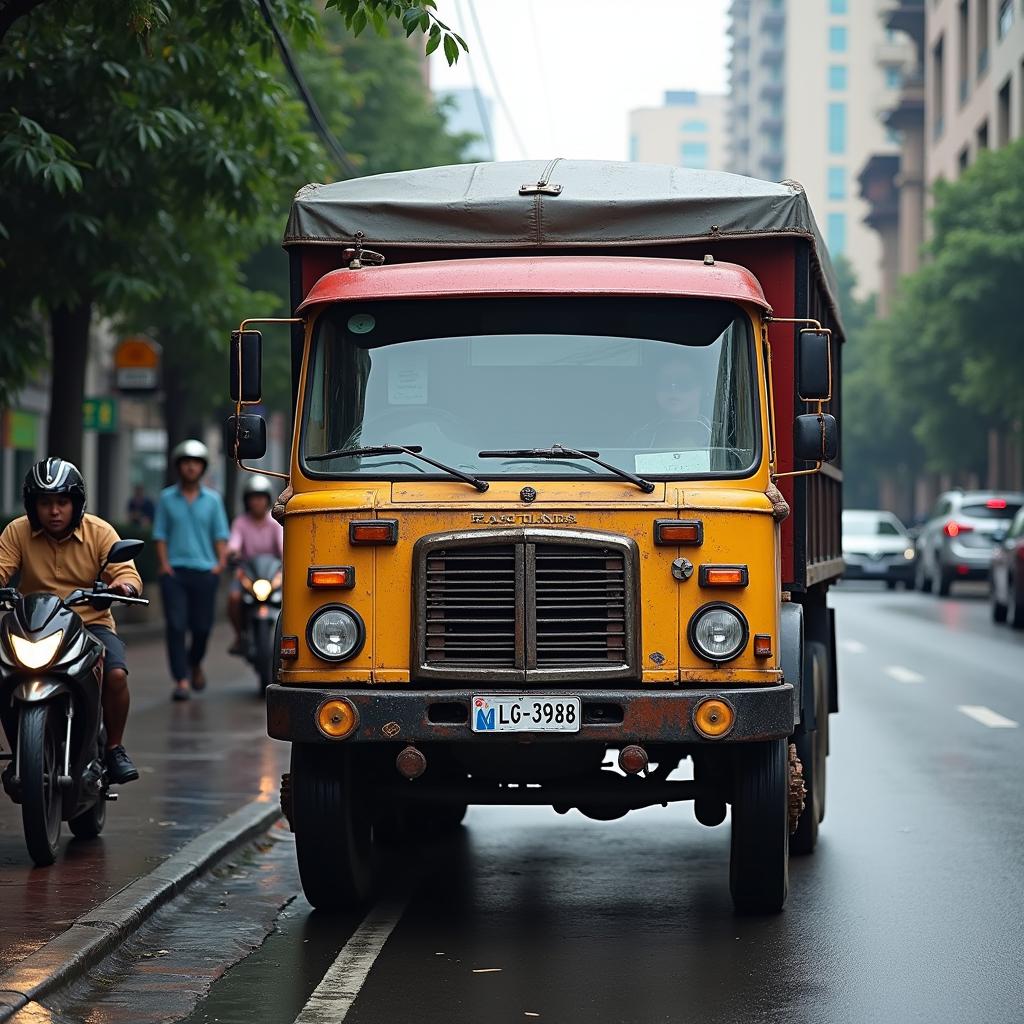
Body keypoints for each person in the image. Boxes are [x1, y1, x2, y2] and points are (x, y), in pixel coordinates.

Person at [0, 458, 142, 784]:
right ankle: (20, 752)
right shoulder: (17, 532)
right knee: (4, 675)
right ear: (32, 505)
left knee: (117, 675)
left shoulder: (100, 532)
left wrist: (123, 587)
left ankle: (114, 748)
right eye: (45, 502)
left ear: (75, 504)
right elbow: (2, 567)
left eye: (62, 502)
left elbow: (126, 573)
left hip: (89, 624)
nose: (54, 511)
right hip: (32, 626)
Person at [153, 440, 230, 701]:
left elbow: (220, 535)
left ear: (203, 468)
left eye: (195, 463)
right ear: (178, 467)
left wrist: (219, 564)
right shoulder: (166, 498)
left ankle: (195, 663)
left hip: (205, 572)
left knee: (202, 628)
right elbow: (160, 535)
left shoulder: (213, 500)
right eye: (186, 462)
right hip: (175, 573)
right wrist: (164, 566)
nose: (190, 467)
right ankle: (181, 679)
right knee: (176, 626)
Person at [226, 474, 283, 655]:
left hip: (273, 574)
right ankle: (238, 635)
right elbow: (234, 544)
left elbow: (283, 546)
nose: (257, 502)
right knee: (234, 598)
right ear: (247, 500)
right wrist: (232, 552)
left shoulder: (275, 523)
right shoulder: (241, 523)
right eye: (253, 498)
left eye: (260, 497)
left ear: (267, 499)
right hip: (247, 573)